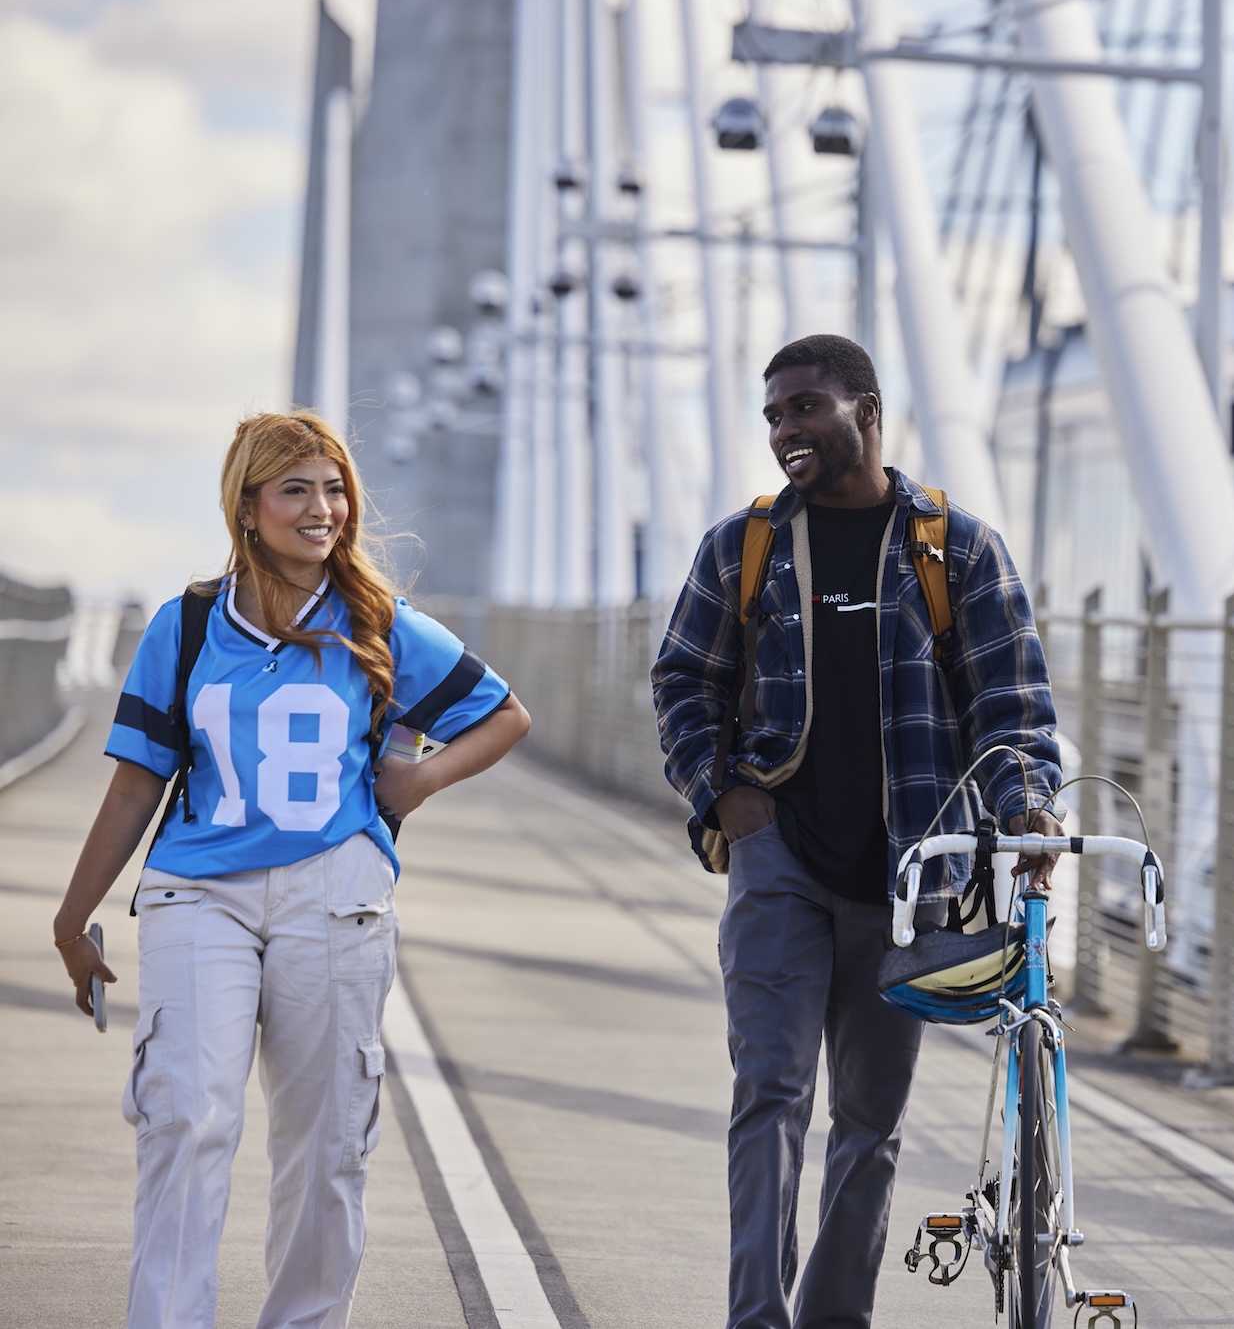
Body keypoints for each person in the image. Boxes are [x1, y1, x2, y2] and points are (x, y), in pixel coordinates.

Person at [51, 411, 532, 1329]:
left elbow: (505, 716)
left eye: (335, 488)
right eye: (297, 490)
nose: (324, 510)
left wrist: (417, 781)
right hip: (199, 894)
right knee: (186, 1117)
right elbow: (132, 789)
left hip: (336, 895)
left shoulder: (378, 623)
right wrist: (72, 920)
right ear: (248, 506)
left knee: (326, 1147)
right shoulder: (186, 625)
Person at [652, 334, 1062, 1329]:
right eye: (773, 417)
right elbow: (681, 680)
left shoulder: (954, 547)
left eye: (804, 408)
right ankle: (755, 1314)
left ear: (865, 408)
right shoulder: (739, 547)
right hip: (778, 859)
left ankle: (834, 1314)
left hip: (910, 877)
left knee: (870, 1121)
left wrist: (1025, 803)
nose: (785, 430)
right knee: (770, 1092)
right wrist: (722, 796)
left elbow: (1009, 705)